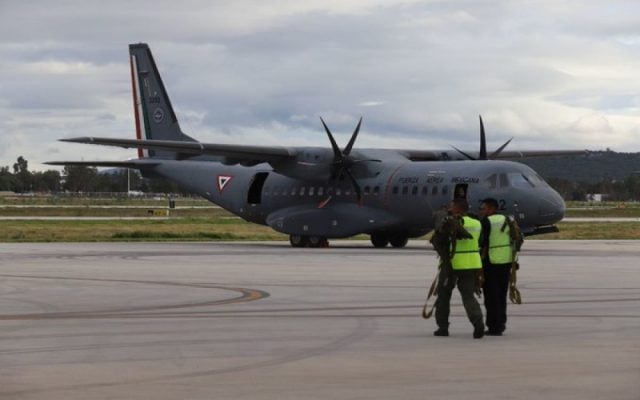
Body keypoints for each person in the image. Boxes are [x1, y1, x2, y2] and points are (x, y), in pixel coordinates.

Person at [431, 198, 485, 339]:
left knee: (443, 295)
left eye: (452, 206)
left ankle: (442, 327)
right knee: (468, 296)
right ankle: (478, 321)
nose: (450, 209)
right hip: (472, 263)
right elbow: (480, 242)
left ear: (457, 209)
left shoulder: (449, 223)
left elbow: (439, 240)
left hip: (452, 264)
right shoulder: (477, 223)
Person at [479, 198, 523, 336]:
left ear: (491, 208)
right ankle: (501, 322)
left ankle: (494, 326)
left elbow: (481, 242)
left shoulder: (487, 222)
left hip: (491, 262)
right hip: (506, 262)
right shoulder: (508, 220)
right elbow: (517, 239)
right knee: (501, 294)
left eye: (484, 208)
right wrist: (514, 260)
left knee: (491, 297)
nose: (482, 211)